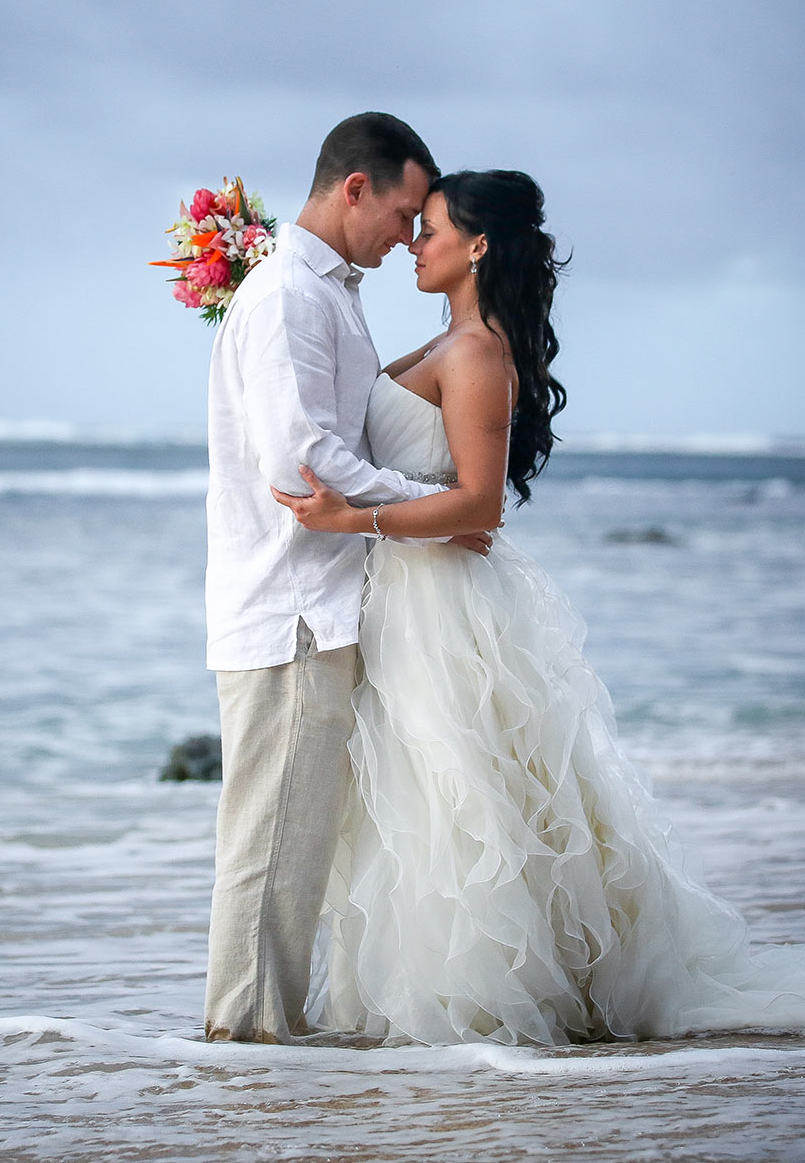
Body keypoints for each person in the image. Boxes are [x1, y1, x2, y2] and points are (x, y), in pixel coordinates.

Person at [272, 168, 805, 1045]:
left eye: (430, 228)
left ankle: (485, 1002)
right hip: (405, 593)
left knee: (458, 802)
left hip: (442, 605)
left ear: (477, 246)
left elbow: (480, 506)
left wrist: (350, 515)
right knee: (426, 806)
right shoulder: (448, 341)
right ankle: (441, 999)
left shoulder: (477, 354)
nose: (414, 242)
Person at [202, 113, 499, 1044]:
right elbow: (304, 461)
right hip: (293, 608)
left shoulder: (331, 292)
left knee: (299, 851)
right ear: (355, 189)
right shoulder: (291, 294)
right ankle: (244, 1052)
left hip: (324, 605)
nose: (410, 237)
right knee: (272, 844)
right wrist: (427, 504)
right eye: (406, 214)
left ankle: (262, 1054)